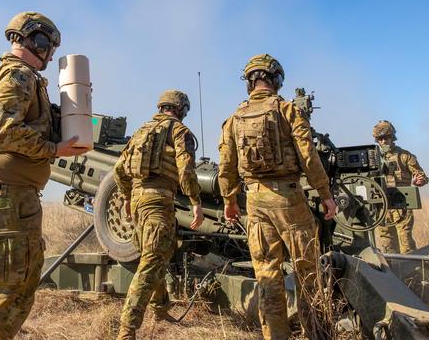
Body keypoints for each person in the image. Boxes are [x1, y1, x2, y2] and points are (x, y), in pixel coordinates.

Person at [0, 11, 85, 339]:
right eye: (49, 46)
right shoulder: (19, 76)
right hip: (4, 193)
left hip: (15, 193)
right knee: (6, 288)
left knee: (22, 284)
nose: (50, 54)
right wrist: (54, 150)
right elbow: (4, 132)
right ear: (38, 41)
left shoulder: (18, 76)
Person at [218, 54, 337, 340]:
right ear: (276, 79)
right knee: (307, 271)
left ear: (249, 82)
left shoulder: (234, 118)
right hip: (289, 200)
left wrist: (229, 202)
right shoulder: (287, 111)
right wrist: (325, 195)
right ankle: (317, 333)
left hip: (255, 202)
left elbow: (226, 166)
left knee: (267, 274)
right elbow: (309, 158)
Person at [114, 90, 204, 339]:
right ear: (182, 109)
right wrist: (196, 201)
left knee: (156, 255)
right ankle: (127, 329)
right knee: (151, 262)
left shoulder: (142, 131)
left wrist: (128, 197)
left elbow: (119, 169)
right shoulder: (179, 131)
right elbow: (186, 170)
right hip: (159, 201)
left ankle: (161, 309)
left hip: (141, 201)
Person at [373, 120, 429, 254]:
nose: (384, 141)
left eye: (386, 137)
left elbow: (422, 176)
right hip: (382, 207)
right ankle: (393, 272)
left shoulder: (405, 156)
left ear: (392, 137)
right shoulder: (372, 158)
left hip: (402, 206)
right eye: (380, 138)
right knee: (387, 245)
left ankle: (411, 272)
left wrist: (419, 181)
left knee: (406, 243)